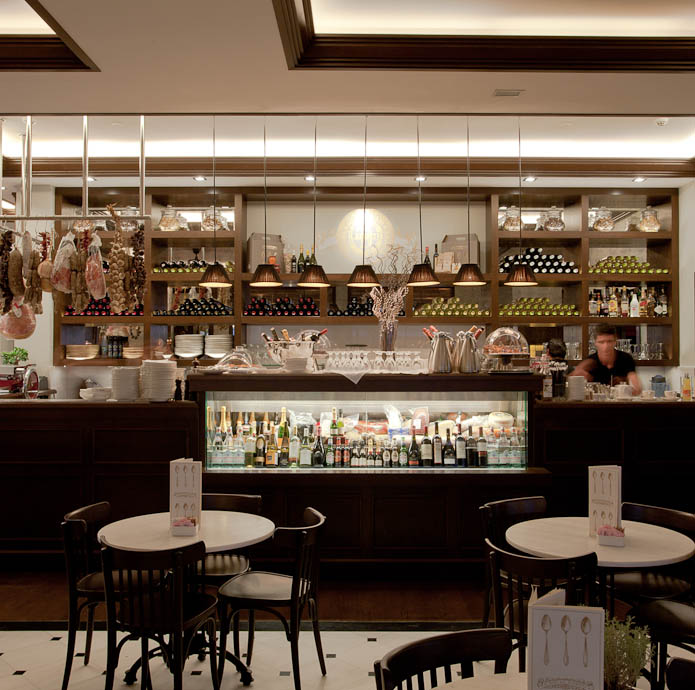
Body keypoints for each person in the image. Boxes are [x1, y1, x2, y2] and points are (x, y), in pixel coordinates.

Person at [573, 324, 642, 395]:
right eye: (601, 342)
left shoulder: (626, 359)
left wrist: (633, 386)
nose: (606, 346)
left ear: (615, 341)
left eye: (609, 341)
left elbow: (635, 383)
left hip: (620, 400)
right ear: (595, 343)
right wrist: (577, 375)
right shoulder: (589, 361)